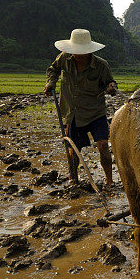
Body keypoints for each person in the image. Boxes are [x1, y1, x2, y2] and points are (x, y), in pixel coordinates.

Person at [44, 28, 118, 188]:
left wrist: (111, 88)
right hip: (73, 112)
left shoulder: (101, 65)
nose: (77, 54)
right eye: (75, 50)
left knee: (104, 146)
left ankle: (109, 181)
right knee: (74, 149)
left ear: (89, 50)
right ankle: (73, 179)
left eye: (81, 51)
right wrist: (51, 83)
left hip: (95, 111)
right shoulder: (64, 58)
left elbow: (111, 83)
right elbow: (53, 70)